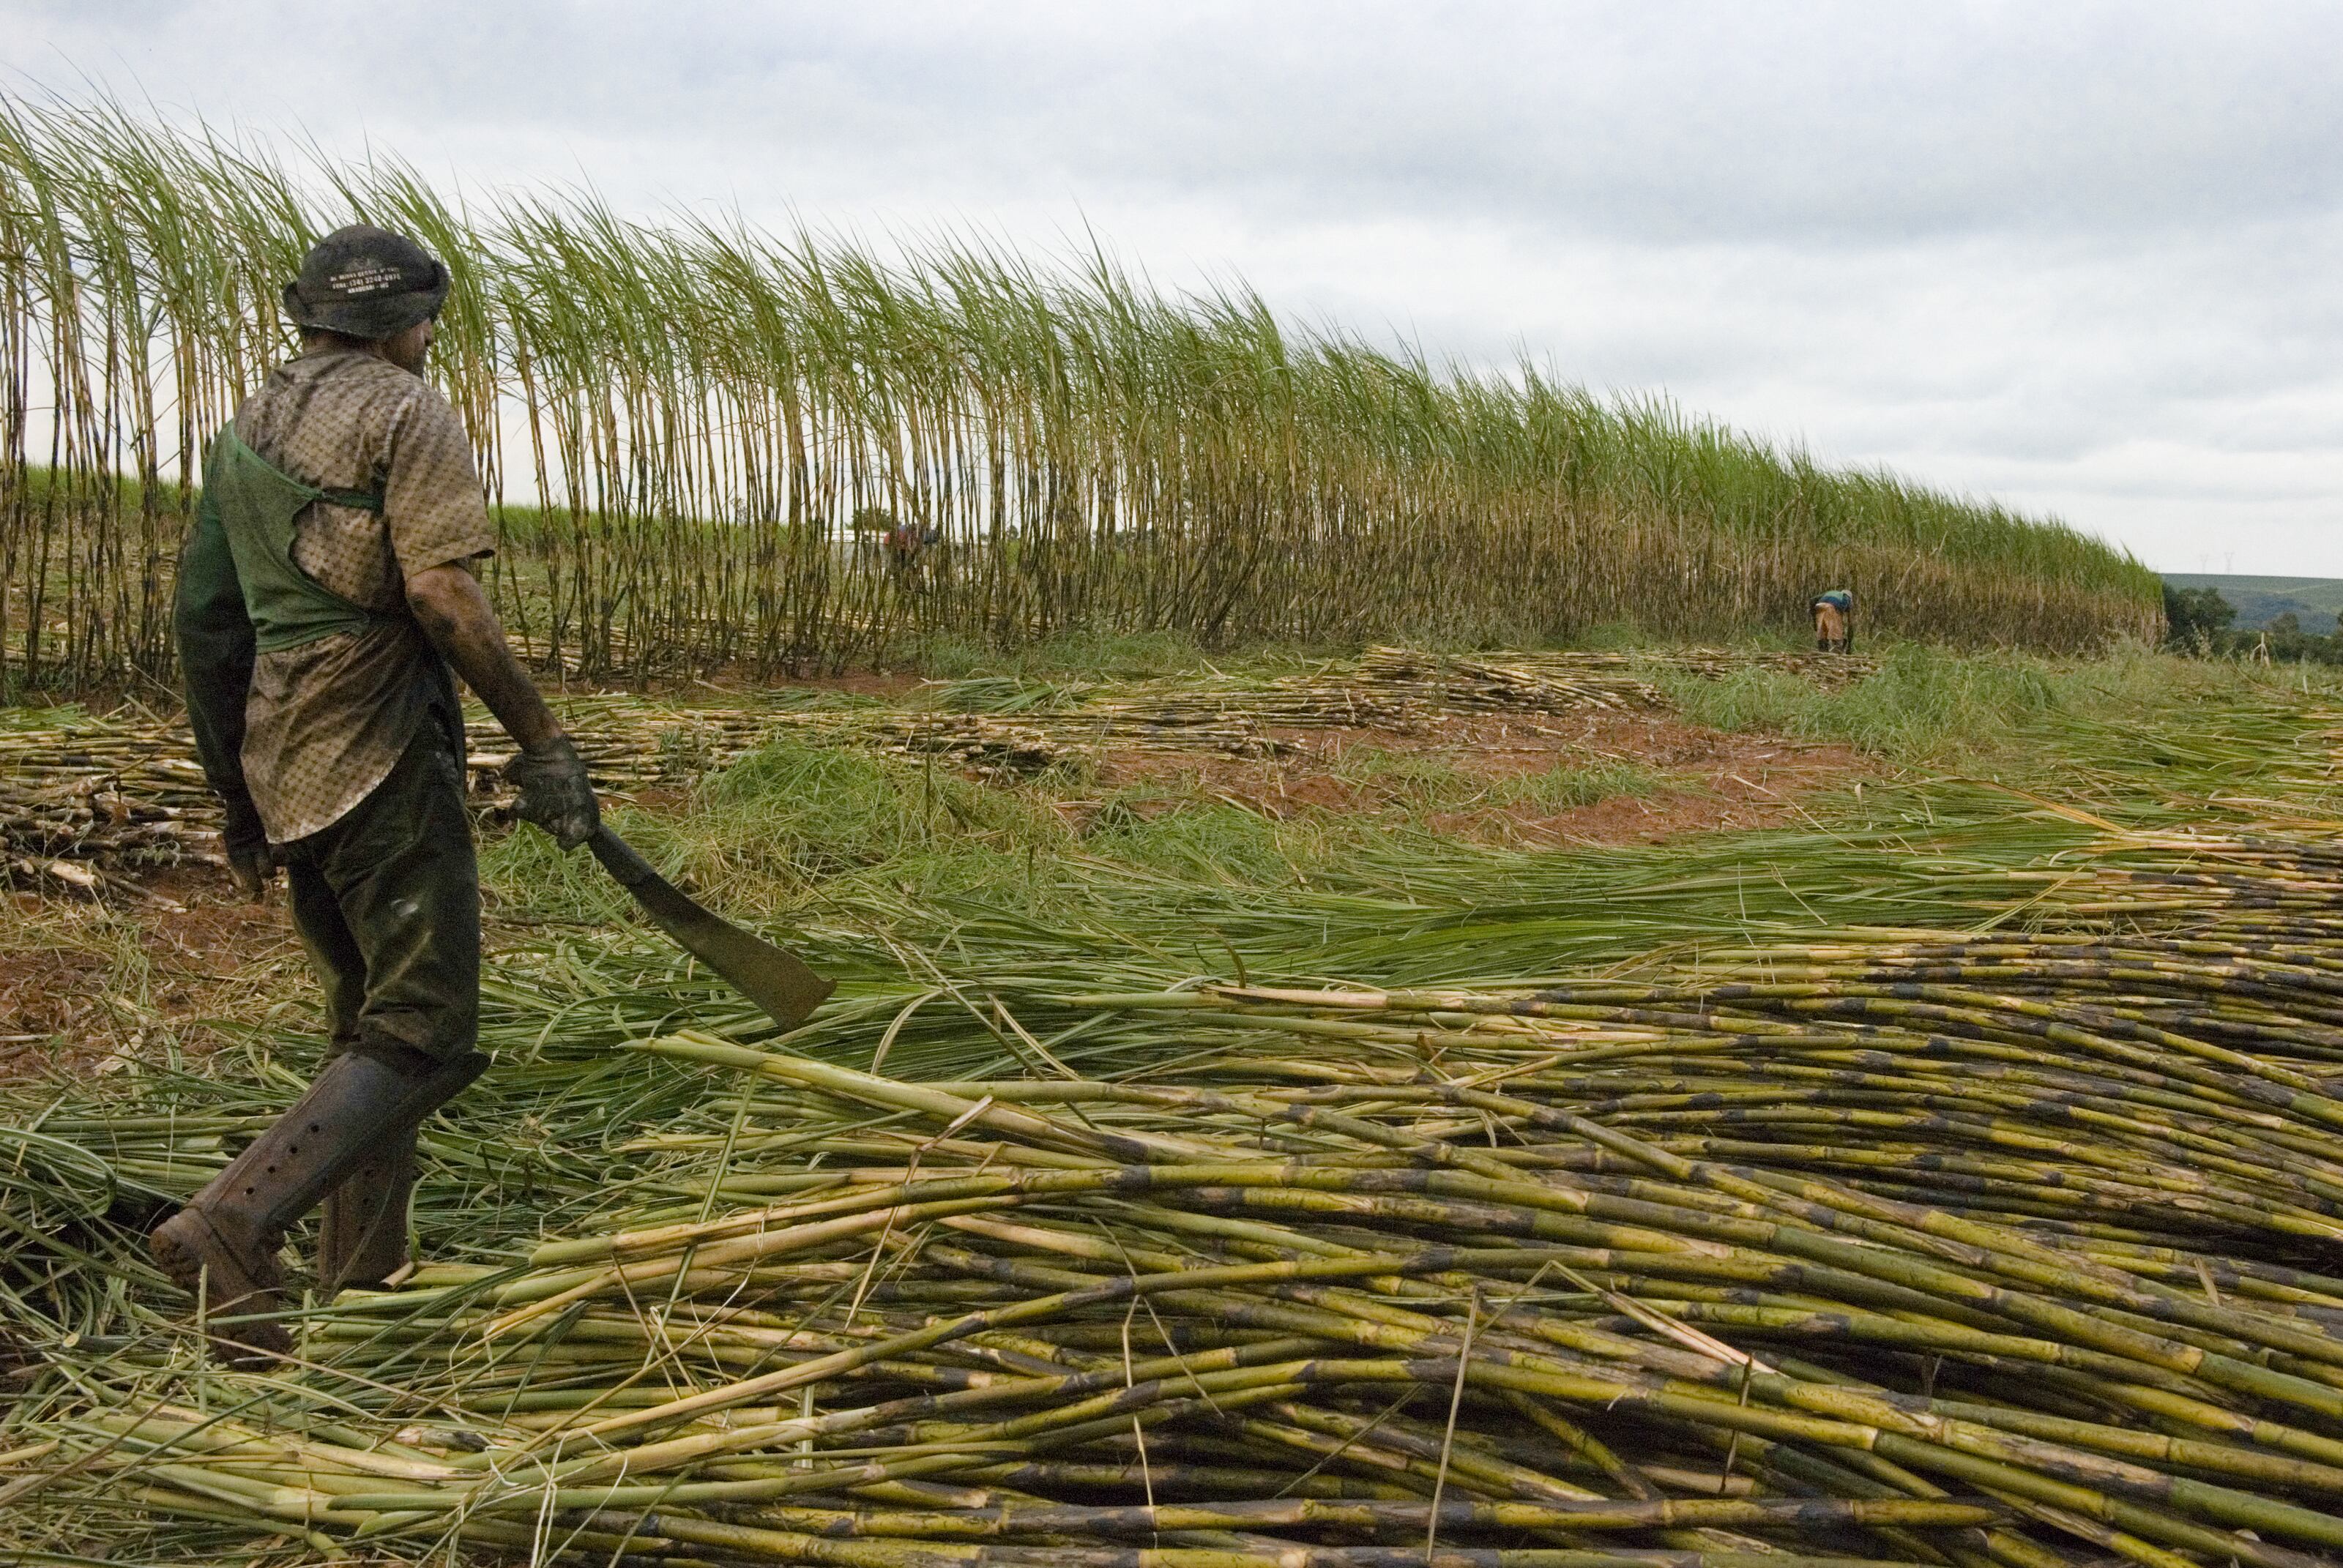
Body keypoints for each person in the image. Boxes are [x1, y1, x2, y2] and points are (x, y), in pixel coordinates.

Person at [157, 225, 600, 1367]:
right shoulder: (410, 410)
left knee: (368, 1029)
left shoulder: (244, 428)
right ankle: (231, 1222)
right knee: (427, 1029)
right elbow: (443, 594)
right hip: (379, 751)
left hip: (283, 760)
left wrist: (236, 801)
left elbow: (206, 624)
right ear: (412, 322)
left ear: (309, 315)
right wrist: (543, 740)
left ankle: (365, 1281)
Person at [1811, 589, 1854, 654]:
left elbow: (1812, 600)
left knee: (1822, 633)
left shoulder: (1830, 593)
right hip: (1831, 608)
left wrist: (1814, 621)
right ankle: (1837, 653)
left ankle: (1822, 652)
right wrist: (1849, 645)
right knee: (1836, 633)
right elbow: (1850, 624)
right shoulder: (1847, 598)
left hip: (1819, 607)